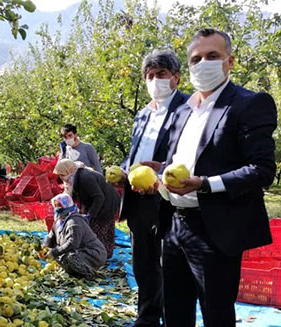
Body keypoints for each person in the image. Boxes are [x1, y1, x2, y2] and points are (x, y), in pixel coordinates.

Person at [144, 28, 277, 327]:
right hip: (174, 224)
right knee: (174, 311)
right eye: (196, 58)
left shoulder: (248, 104)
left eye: (212, 56)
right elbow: (180, 161)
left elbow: (262, 169)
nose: (203, 63)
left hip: (215, 227)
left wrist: (205, 184)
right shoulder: (182, 111)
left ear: (229, 61)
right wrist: (159, 175)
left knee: (216, 313)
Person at [118, 49, 189, 327]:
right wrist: (124, 171)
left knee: (169, 266)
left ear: (176, 78)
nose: (155, 80)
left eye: (161, 74)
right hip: (138, 199)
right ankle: (147, 319)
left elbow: (192, 153)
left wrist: (163, 167)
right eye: (150, 75)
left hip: (167, 197)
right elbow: (135, 153)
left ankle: (173, 319)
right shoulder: (143, 115)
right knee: (143, 264)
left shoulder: (187, 109)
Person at [54, 159, 119, 257]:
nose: (61, 178)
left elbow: (98, 197)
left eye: (62, 175)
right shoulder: (75, 177)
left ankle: (101, 255)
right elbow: (80, 194)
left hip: (107, 202)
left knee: (99, 228)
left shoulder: (85, 178)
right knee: (93, 228)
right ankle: (101, 254)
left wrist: (90, 215)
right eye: (60, 175)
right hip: (98, 201)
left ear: (70, 171)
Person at [42, 193, 107, 279]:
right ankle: (74, 272)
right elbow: (51, 236)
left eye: (59, 206)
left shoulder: (74, 222)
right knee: (61, 257)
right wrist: (43, 247)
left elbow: (72, 244)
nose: (57, 209)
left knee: (69, 257)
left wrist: (54, 252)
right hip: (78, 251)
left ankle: (90, 274)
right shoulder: (58, 221)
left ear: (66, 206)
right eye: (55, 206)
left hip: (93, 253)